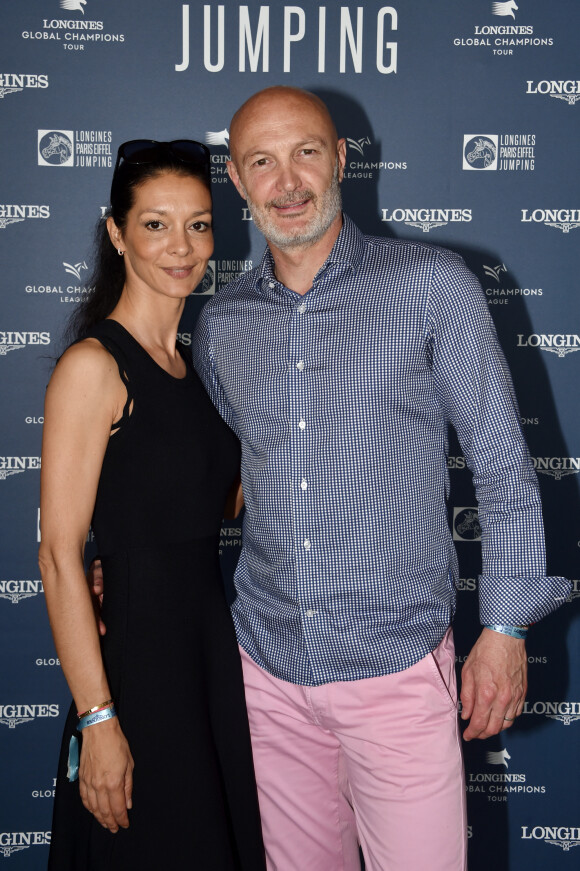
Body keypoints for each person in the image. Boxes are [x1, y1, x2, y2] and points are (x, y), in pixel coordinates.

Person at [190, 87, 571, 870]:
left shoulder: (434, 285)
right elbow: (228, 477)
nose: (287, 181)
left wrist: (503, 628)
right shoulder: (223, 323)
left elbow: (503, 466)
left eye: (305, 152)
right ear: (236, 177)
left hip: (395, 672)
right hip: (266, 671)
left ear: (342, 158)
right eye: (262, 161)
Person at [39, 139, 265, 870]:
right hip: (136, 672)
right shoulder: (93, 366)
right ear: (116, 232)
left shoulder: (195, 367)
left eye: (198, 224)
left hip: (207, 660)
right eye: (156, 224)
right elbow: (58, 554)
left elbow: (223, 504)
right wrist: (100, 719)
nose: (182, 246)